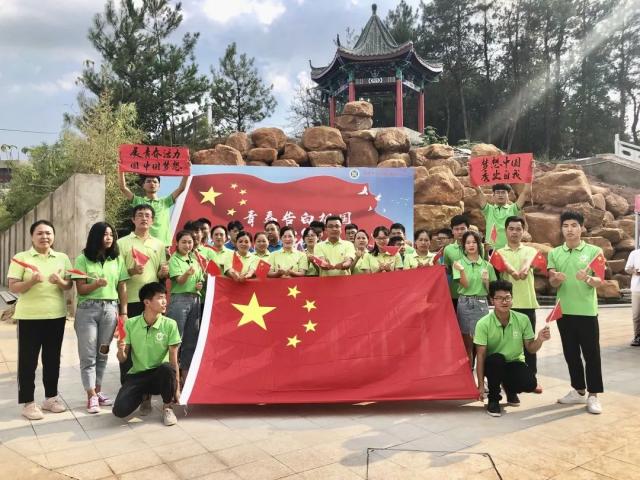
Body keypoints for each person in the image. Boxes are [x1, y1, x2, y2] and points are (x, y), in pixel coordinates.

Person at [8, 220, 73, 420]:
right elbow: (13, 286)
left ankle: (51, 398)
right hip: (29, 317)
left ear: (53, 236)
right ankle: (28, 403)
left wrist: (60, 281)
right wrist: (31, 281)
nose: (45, 237)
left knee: (52, 359)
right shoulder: (21, 258)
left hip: (56, 315)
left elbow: (69, 285)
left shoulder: (62, 258)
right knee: (28, 361)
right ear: (32, 236)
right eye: (40, 233)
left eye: (48, 233)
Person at [548, 210, 604, 414]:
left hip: (587, 312)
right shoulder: (554, 253)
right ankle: (579, 390)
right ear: (561, 229)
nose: (569, 229)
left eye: (574, 225)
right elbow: (552, 282)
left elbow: (600, 280)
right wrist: (556, 278)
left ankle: (593, 395)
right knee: (571, 353)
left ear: (581, 228)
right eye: (565, 226)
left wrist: (587, 278)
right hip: (564, 312)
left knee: (591, 354)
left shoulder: (595, 251)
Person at [72, 222, 129, 413]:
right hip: (87, 310)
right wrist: (96, 284)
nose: (109, 238)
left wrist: (123, 312)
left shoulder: (117, 259)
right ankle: (91, 396)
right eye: (105, 234)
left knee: (103, 352)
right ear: (96, 236)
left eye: (111, 234)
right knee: (88, 354)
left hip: (110, 310)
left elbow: (122, 287)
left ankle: (97, 391)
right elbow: (81, 289)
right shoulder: (82, 259)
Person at [475, 280, 551, 417]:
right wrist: (480, 385)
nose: (504, 301)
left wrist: (540, 339)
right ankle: (493, 399)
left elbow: (531, 349)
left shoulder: (523, 319)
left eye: (507, 297)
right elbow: (480, 356)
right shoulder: (483, 323)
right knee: (496, 359)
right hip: (492, 365)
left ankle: (510, 389)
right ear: (492, 300)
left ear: (512, 299)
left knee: (530, 383)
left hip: (514, 362)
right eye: (499, 298)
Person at [113, 282, 180, 426]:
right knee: (119, 411)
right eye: (160, 298)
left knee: (167, 368)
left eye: (165, 297)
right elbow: (122, 359)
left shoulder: (170, 324)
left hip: (159, 374)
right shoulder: (130, 324)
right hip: (138, 375)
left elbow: (174, 361)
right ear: (147, 302)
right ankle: (144, 396)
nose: (165, 301)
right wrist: (120, 350)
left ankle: (167, 407)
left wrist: (177, 389)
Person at [117, 205, 168, 388]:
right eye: (140, 215)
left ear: (152, 221)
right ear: (133, 219)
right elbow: (118, 275)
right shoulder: (122, 243)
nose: (144, 218)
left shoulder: (159, 245)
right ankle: (128, 388)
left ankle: (147, 391)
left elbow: (160, 274)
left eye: (147, 215)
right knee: (128, 346)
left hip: (152, 303)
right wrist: (132, 270)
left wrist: (163, 272)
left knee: (150, 346)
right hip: (129, 301)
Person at [498, 216, 543, 392]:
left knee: (529, 345)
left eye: (518, 229)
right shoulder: (498, 253)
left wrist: (523, 268)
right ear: (505, 231)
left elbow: (527, 266)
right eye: (511, 229)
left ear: (523, 231)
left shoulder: (530, 251)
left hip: (527, 304)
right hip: (506, 306)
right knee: (507, 346)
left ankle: (532, 380)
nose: (515, 232)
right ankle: (506, 381)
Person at [452, 230, 497, 366]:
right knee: (467, 345)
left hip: (481, 303)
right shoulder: (458, 263)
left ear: (479, 244)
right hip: (464, 303)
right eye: (468, 243)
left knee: (482, 345)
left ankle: (482, 377)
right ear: (464, 246)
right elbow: (465, 285)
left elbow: (492, 292)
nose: (471, 245)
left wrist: (486, 282)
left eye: (474, 242)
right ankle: (469, 375)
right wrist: (461, 270)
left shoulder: (487, 266)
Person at [167, 230, 203, 381]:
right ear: (177, 243)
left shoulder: (195, 260)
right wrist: (188, 274)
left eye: (190, 242)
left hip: (195, 300)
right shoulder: (174, 259)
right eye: (184, 242)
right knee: (176, 339)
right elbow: (180, 281)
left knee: (191, 340)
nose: (187, 245)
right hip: (179, 301)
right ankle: (172, 377)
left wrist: (199, 285)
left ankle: (186, 377)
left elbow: (200, 280)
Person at [118, 172, 188, 247]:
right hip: (143, 244)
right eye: (148, 181)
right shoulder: (138, 201)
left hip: (163, 245)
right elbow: (123, 188)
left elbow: (181, 188)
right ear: (143, 185)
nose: (152, 183)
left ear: (159, 186)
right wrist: (121, 170)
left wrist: (187, 170)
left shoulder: (165, 202)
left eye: (155, 182)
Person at [474, 183, 531, 250]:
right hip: (491, 249)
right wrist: (473, 179)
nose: (500, 195)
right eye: (498, 192)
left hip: (508, 249)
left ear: (508, 195)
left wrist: (529, 181)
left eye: (503, 192)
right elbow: (479, 192)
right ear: (493, 195)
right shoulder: (488, 210)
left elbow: (525, 193)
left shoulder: (513, 209)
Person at [444, 215, 469, 309]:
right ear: (452, 231)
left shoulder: (478, 246)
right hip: (456, 293)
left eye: (462, 228)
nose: (459, 232)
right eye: (456, 229)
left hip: (475, 293)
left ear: (468, 229)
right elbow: (448, 271)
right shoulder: (448, 249)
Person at [625, 247, 640, 346]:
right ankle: (637, 337)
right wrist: (635, 271)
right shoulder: (634, 253)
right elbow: (627, 268)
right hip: (636, 288)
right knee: (636, 315)